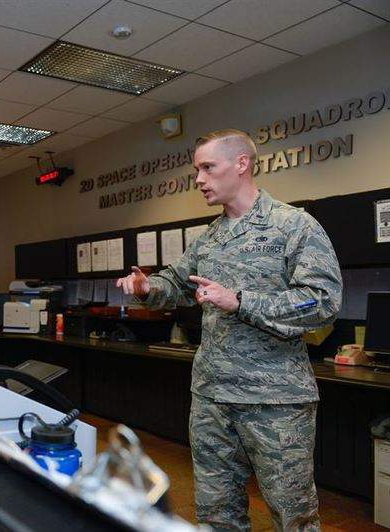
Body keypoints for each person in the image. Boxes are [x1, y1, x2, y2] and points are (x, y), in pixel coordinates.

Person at [117, 129, 342, 531]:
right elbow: (176, 283)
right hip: (212, 396)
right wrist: (148, 287)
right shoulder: (210, 238)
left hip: (275, 399)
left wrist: (240, 301)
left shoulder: (293, 225)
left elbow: (322, 302)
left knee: (293, 514)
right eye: (196, 170)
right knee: (216, 512)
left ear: (242, 164)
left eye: (207, 167)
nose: (199, 179)